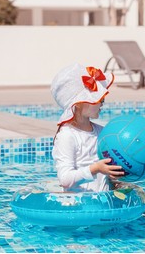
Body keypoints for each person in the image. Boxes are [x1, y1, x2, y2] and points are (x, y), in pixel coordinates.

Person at [51, 63, 124, 192]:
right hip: (79, 207)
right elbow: (65, 179)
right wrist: (95, 169)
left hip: (103, 204)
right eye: (97, 98)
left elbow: (105, 170)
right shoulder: (67, 136)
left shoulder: (101, 132)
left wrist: (113, 177)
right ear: (79, 104)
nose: (102, 102)